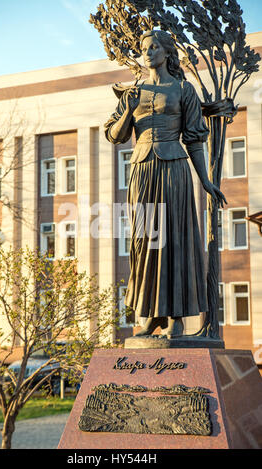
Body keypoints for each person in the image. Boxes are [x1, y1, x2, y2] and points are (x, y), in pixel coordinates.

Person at [105, 30, 227, 338]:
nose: (147, 52)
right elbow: (116, 136)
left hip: (174, 169)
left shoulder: (182, 89)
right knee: (146, 242)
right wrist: (129, 109)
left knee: (176, 240)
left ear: (166, 52)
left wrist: (206, 181)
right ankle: (151, 314)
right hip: (143, 171)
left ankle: (177, 317)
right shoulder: (133, 92)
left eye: (154, 46)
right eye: (143, 48)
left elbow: (195, 140)